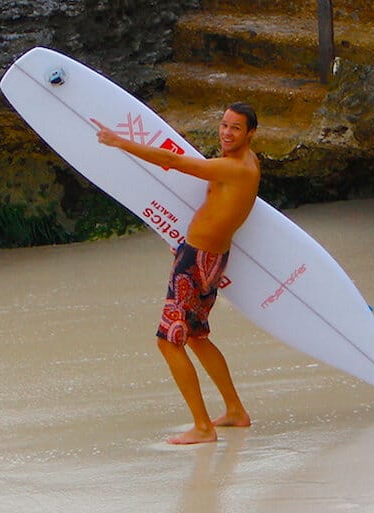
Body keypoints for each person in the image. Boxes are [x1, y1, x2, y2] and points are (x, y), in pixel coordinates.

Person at [91, 102, 260, 444]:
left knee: (168, 342)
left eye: (236, 128)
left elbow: (173, 162)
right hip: (206, 255)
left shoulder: (235, 168)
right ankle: (235, 411)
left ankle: (202, 427)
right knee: (196, 336)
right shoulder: (247, 163)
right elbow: (218, 210)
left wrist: (119, 142)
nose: (226, 132)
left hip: (197, 261)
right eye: (224, 124)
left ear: (251, 133)